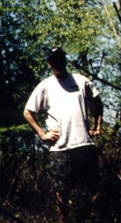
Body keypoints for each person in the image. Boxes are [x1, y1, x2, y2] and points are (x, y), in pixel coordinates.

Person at [23, 47, 103, 223]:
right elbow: (27, 112)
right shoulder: (45, 86)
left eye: (60, 58)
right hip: (60, 148)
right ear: (49, 63)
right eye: (54, 59)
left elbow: (97, 101)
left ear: (65, 59)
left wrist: (98, 126)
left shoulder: (81, 81)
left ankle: (87, 218)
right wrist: (42, 133)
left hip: (84, 144)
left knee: (94, 189)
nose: (58, 62)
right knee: (62, 192)